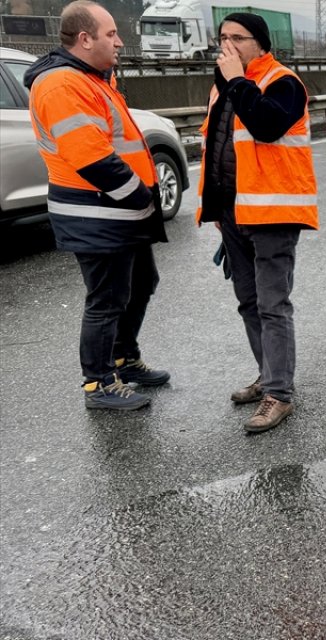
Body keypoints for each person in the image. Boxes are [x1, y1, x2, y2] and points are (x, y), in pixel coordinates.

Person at [24, 0, 169, 411]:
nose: (120, 42)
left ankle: (123, 359)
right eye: (111, 34)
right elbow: (92, 158)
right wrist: (141, 197)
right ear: (84, 39)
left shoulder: (92, 78)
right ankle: (99, 382)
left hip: (116, 211)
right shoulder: (61, 84)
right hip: (97, 211)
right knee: (106, 299)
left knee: (141, 284)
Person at [195, 12, 318, 433]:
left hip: (272, 213)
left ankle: (279, 395)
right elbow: (217, 147)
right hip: (234, 212)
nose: (226, 46)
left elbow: (265, 126)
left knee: (272, 305)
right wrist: (214, 209)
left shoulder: (282, 82)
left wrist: (236, 81)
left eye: (237, 38)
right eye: (222, 38)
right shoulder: (223, 87)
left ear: (261, 44)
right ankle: (268, 375)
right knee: (248, 302)